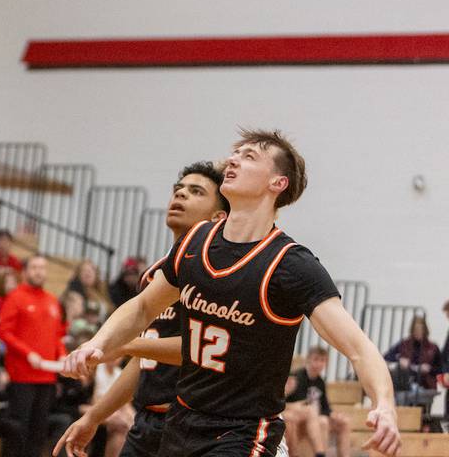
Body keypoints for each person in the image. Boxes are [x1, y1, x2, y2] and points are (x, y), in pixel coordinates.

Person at [62, 130, 402, 457]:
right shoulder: (195, 242)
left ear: (277, 183)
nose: (233, 161)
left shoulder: (291, 264)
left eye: (249, 156)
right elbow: (141, 309)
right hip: (182, 422)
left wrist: (384, 405)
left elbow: (358, 349)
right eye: (234, 154)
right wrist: (98, 342)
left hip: (243, 431)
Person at [54, 161, 230, 457]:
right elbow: (143, 360)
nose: (181, 195)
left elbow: (201, 348)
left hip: (194, 425)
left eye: (196, 191)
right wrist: (95, 416)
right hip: (147, 422)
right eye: (178, 189)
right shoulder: (153, 276)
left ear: (218, 217)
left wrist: (125, 345)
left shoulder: (217, 274)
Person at [0, 255, 65, 457]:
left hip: (47, 377)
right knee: (18, 429)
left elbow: (57, 336)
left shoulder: (52, 300)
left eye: (42, 268)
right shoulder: (15, 297)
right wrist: (28, 354)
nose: (39, 272)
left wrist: (62, 355)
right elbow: (4, 332)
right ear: (25, 271)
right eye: (34, 267)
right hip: (22, 376)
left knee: (39, 431)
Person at [283, 346, 351, 457]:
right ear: (308, 360)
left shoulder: (320, 382)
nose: (318, 364)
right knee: (321, 420)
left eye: (322, 360)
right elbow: (297, 403)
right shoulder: (297, 377)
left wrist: (334, 415)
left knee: (344, 422)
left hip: (314, 418)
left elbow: (325, 406)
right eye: (316, 359)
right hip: (300, 418)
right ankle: (320, 453)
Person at [386, 315, 443, 411]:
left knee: (419, 409)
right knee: (399, 378)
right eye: (416, 330)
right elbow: (387, 357)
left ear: (425, 330)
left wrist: (429, 369)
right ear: (412, 330)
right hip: (406, 384)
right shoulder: (404, 344)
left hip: (425, 385)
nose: (418, 333)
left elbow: (440, 369)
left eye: (421, 330)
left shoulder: (433, 347)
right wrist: (399, 360)